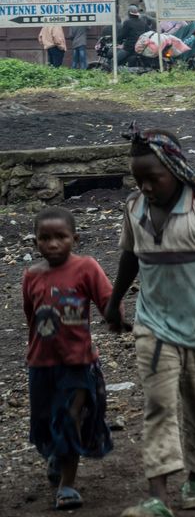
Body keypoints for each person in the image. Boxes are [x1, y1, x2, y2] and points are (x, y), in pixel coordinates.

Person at [106, 128, 195, 517]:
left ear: (175, 168)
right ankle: (159, 496)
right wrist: (114, 301)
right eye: (139, 180)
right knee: (158, 404)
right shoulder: (134, 208)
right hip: (153, 323)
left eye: (154, 178)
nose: (146, 186)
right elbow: (129, 257)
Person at [23, 207, 117, 510]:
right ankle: (56, 455)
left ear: (74, 238)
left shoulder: (86, 268)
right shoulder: (32, 275)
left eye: (60, 237)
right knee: (43, 420)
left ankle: (67, 484)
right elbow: (32, 317)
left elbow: (107, 301)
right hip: (40, 363)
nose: (52, 244)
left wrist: (118, 319)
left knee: (68, 417)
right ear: (35, 241)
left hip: (77, 361)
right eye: (45, 238)